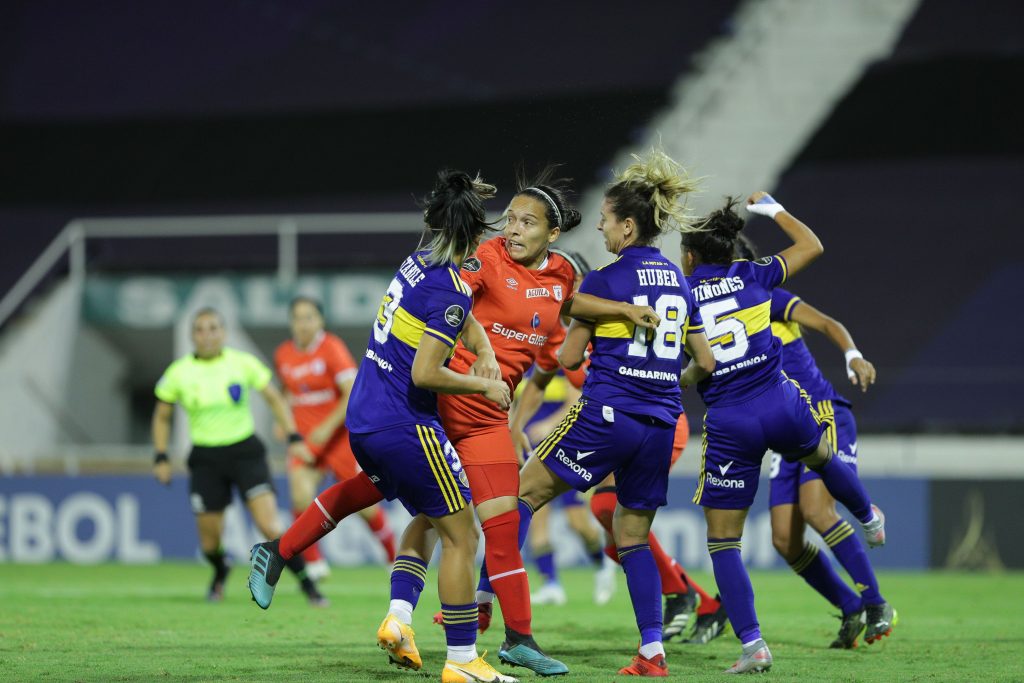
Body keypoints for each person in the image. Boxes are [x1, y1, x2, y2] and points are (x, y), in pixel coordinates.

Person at [250, 169, 518, 682]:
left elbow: (457, 315)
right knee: (463, 538)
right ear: (478, 237)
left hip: (365, 418)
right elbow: (426, 372)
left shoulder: (417, 264)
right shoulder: (453, 289)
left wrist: (481, 346)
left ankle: (280, 551)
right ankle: (463, 661)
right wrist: (485, 384)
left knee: (382, 496)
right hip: (405, 424)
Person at [486, 148, 718, 676]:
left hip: (609, 412)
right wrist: (663, 380)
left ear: (628, 227)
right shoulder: (679, 284)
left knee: (522, 493)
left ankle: (487, 602)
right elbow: (704, 361)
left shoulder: (605, 280)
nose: (600, 227)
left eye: (607, 220)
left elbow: (567, 358)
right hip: (662, 423)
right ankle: (652, 653)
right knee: (632, 537)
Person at [681, 193, 887, 674]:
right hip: (781, 403)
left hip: (741, 419)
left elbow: (700, 363)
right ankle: (867, 527)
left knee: (726, 541)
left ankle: (757, 644)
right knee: (800, 503)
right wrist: (774, 210)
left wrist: (686, 377)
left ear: (689, 257)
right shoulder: (756, 280)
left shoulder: (683, 295)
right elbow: (811, 245)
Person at [729, 235, 895, 647]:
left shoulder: (768, 296)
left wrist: (852, 355)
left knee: (818, 511)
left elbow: (827, 323)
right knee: (784, 539)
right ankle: (850, 606)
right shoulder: (717, 315)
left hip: (820, 413)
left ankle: (876, 603)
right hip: (784, 428)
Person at [152, 307, 325, 605]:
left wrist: (293, 435)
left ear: (224, 332)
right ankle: (221, 570)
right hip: (205, 458)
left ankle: (308, 584)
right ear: (192, 335)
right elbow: (162, 416)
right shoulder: (179, 372)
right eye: (200, 329)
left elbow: (274, 398)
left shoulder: (241, 363)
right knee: (209, 542)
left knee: (270, 526)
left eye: (213, 328)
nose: (207, 335)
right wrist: (161, 456)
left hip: (245, 453)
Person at [274, 295, 396, 580]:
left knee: (364, 507)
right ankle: (315, 563)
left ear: (320, 320)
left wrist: (326, 430)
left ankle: (392, 555)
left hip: (339, 437)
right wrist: (284, 423)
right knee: (299, 494)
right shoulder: (283, 354)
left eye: (309, 318)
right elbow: (289, 389)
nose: (303, 324)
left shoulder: (332, 348)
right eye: (297, 318)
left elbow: (351, 392)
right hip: (306, 439)